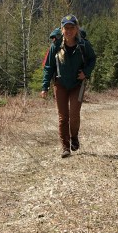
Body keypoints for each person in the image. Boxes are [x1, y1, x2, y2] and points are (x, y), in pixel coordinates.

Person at [40, 14, 97, 158]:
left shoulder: (83, 44)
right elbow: (48, 67)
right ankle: (65, 147)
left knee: (74, 115)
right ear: (62, 29)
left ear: (77, 29)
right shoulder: (56, 46)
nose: (69, 31)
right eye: (66, 28)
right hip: (60, 84)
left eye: (72, 27)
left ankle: (74, 137)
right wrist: (45, 86)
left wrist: (86, 72)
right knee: (63, 117)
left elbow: (92, 59)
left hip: (78, 84)